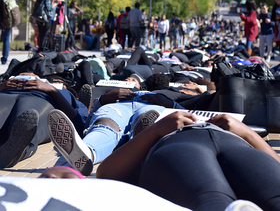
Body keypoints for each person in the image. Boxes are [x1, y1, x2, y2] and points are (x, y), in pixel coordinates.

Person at [96, 111, 280, 211]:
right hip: (183, 142)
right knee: (211, 200)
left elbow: (105, 172)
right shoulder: (150, 142)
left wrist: (246, 132)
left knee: (212, 200)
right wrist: (155, 130)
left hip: (228, 142)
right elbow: (106, 174)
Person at [47, 86, 184, 176]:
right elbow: (88, 120)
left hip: (151, 107)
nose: (130, 80)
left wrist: (171, 104)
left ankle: (142, 138)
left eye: (133, 79)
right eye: (128, 79)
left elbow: (189, 114)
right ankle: (86, 153)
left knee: (148, 118)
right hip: (117, 107)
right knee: (105, 123)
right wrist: (103, 99)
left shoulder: (163, 94)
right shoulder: (114, 93)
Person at [0, 74, 88, 168]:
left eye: (59, 81)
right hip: (6, 94)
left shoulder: (65, 93)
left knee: (29, 117)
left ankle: (13, 154)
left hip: (41, 99)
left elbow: (79, 125)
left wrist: (53, 90)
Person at [0, 0, 18, 65]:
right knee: (6, 38)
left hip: (2, 18)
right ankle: (4, 59)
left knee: (6, 38)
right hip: (7, 19)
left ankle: (4, 59)